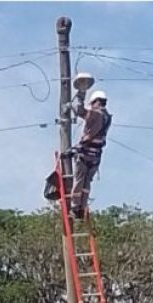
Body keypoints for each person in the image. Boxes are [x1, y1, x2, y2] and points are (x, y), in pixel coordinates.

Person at [68, 90, 112, 218]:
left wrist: (80, 94)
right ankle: (82, 208)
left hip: (85, 154)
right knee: (86, 184)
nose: (91, 106)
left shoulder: (95, 114)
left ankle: (75, 208)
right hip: (96, 157)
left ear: (96, 102)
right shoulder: (108, 117)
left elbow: (78, 110)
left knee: (79, 181)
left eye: (92, 103)